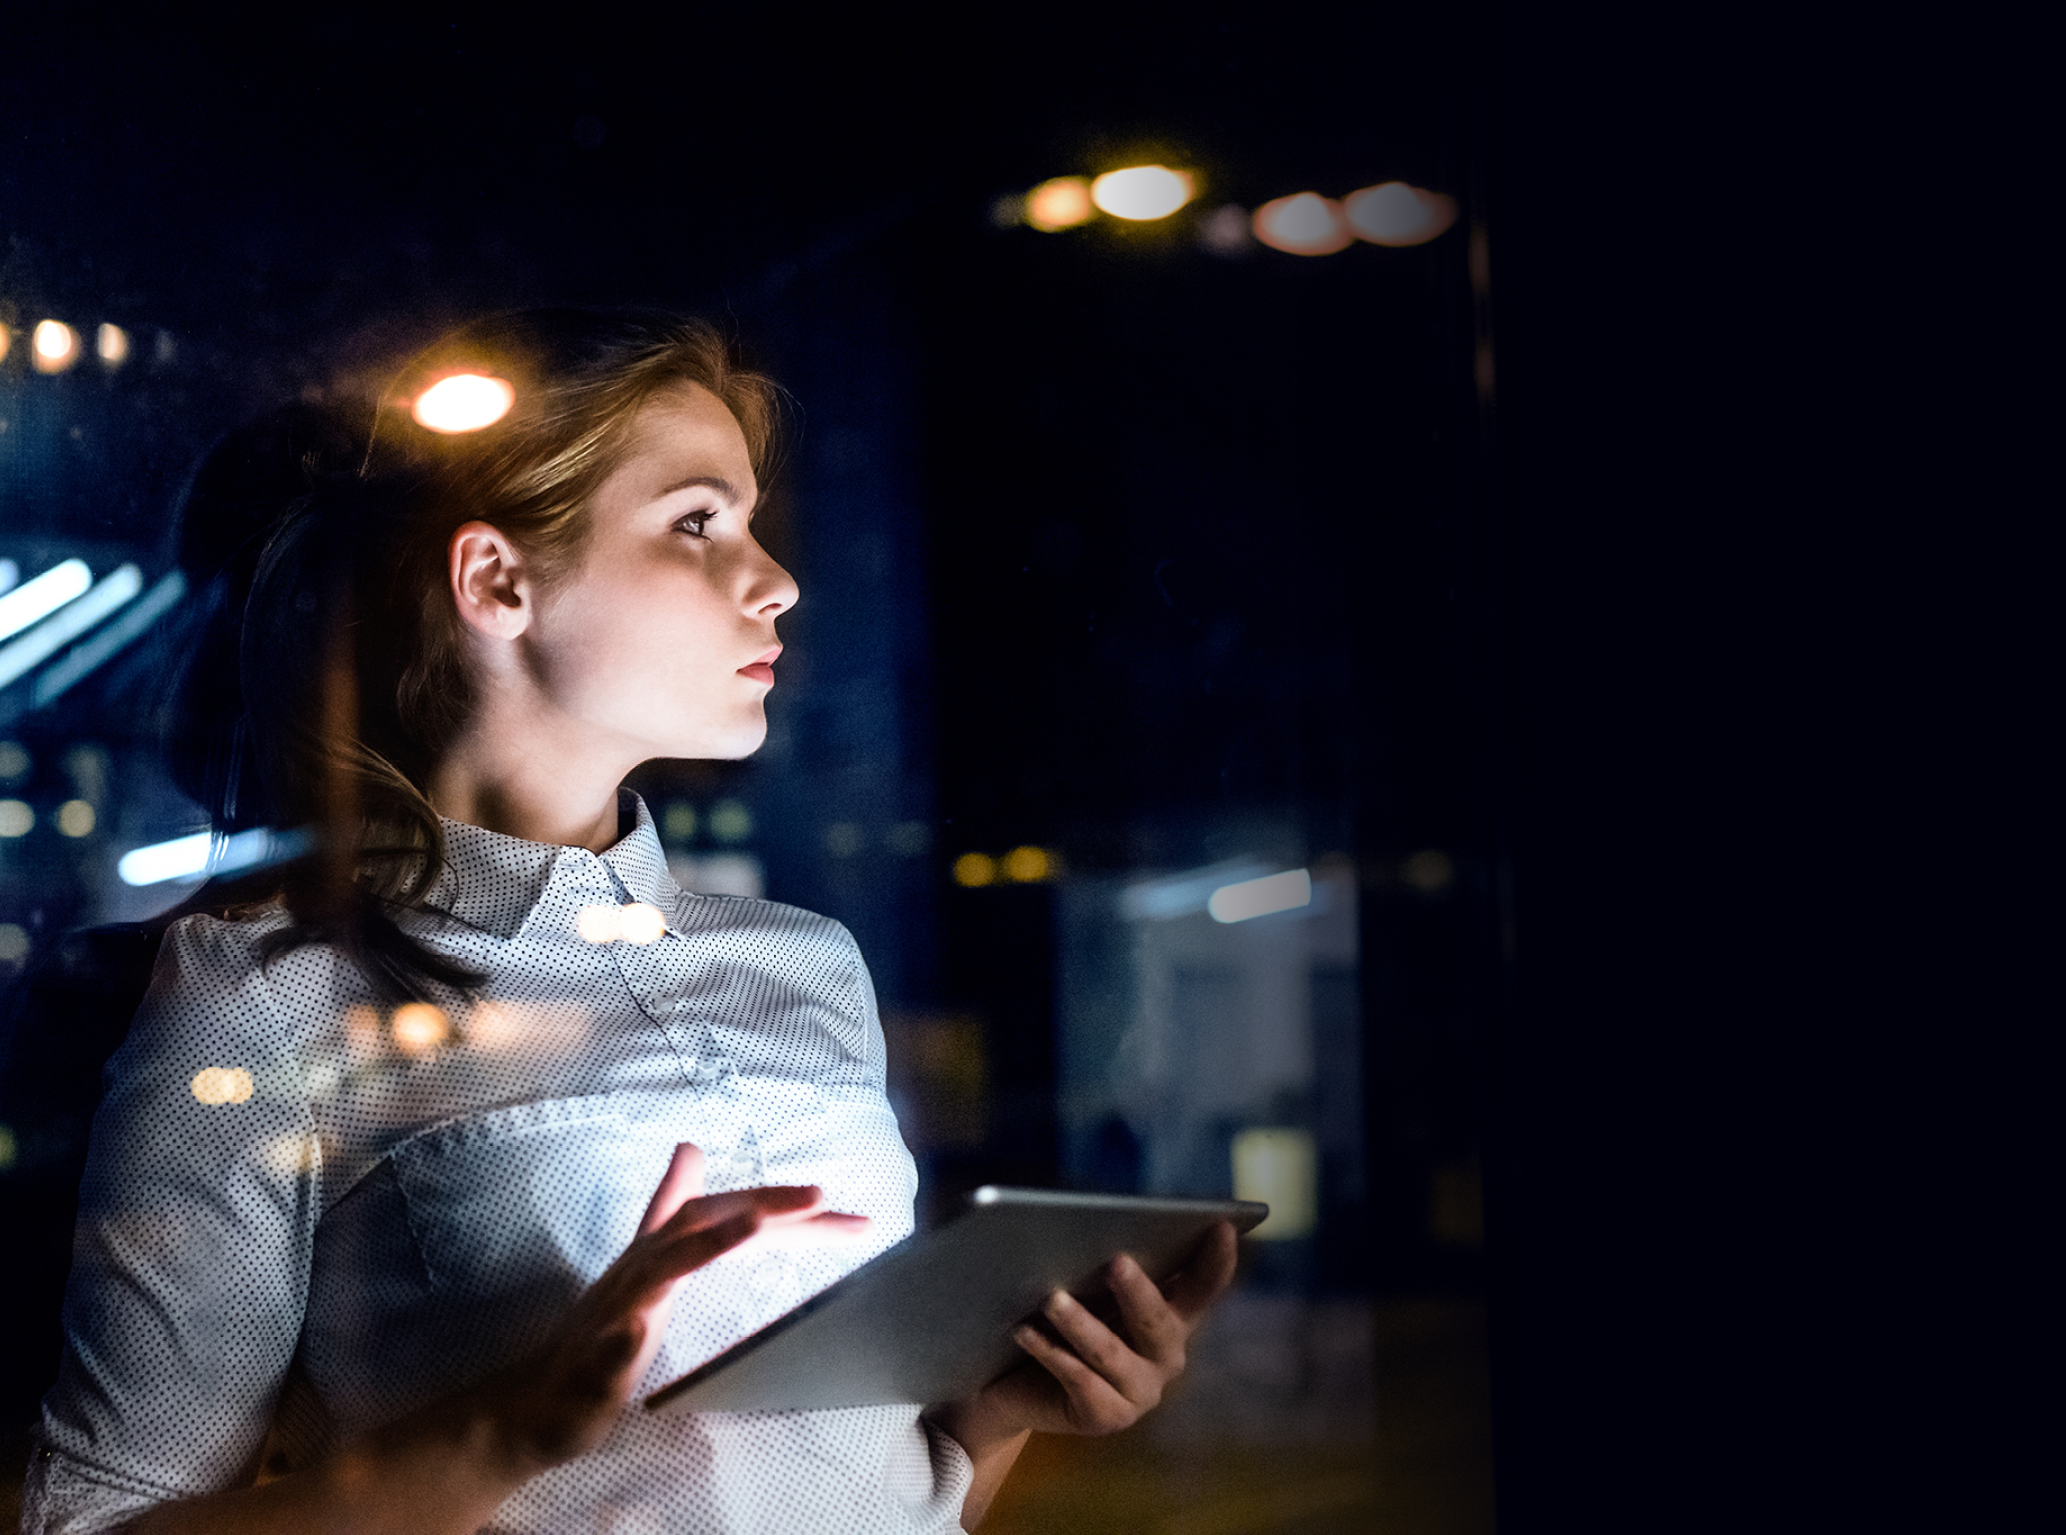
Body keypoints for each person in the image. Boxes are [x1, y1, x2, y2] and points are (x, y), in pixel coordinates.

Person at [20, 309, 1236, 1534]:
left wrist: (1001, 1411)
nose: (777, 579)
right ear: (497, 579)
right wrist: (509, 1430)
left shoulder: (808, 963)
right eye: (696, 522)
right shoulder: (267, 999)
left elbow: (877, 1487)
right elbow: (97, 1522)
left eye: (749, 522)